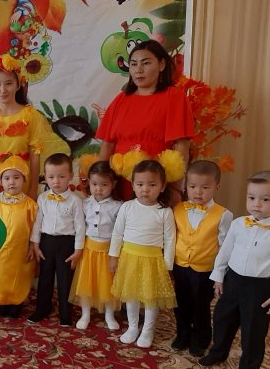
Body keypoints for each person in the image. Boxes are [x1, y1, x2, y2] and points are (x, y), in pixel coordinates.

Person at [199, 171, 270, 369]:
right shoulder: (238, 224)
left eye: (265, 199)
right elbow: (225, 252)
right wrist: (219, 277)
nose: (256, 204)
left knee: (253, 331)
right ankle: (218, 352)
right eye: (251, 197)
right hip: (233, 280)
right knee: (222, 319)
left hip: (259, 287)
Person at [96, 40, 194, 201]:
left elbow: (181, 145)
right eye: (133, 64)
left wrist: (175, 188)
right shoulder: (121, 99)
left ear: (161, 65)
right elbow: (108, 144)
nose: (138, 70)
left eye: (146, 63)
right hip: (120, 181)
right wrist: (100, 184)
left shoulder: (174, 97)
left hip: (156, 184)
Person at [109, 160, 177, 348]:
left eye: (152, 185)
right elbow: (117, 233)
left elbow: (170, 240)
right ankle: (132, 327)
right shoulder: (127, 207)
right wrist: (113, 256)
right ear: (133, 185)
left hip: (153, 261)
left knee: (150, 298)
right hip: (129, 258)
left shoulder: (165, 212)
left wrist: (167, 266)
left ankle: (148, 330)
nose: (145, 189)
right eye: (140, 184)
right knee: (131, 295)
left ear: (162, 186)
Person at [0, 54, 53, 200]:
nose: (3, 90)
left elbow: (35, 157)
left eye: (8, 83)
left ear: (18, 85)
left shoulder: (31, 116)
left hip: (20, 179)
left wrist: (33, 189)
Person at [172, 160, 232, 356]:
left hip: (205, 269)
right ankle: (183, 334)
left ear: (217, 187)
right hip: (181, 265)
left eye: (205, 187)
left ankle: (201, 338)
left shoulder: (223, 215)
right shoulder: (178, 208)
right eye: (192, 186)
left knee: (200, 306)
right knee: (181, 303)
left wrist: (220, 273)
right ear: (185, 186)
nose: (198, 192)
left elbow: (225, 246)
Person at [28, 153, 85, 326]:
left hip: (66, 243)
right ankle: (42, 309)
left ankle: (65, 314)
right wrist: (35, 245)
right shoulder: (42, 198)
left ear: (70, 176)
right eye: (51, 177)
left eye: (61, 176)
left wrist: (78, 250)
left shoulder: (75, 201)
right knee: (45, 277)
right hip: (46, 242)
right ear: (45, 177)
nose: (56, 181)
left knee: (65, 280)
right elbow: (37, 223)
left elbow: (80, 227)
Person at [69, 160, 123, 331]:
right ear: (89, 183)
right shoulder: (84, 203)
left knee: (108, 285)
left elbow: (119, 232)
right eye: (94, 184)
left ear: (113, 184)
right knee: (86, 283)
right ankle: (85, 314)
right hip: (89, 250)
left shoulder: (118, 206)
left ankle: (109, 314)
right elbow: (79, 227)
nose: (99, 189)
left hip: (108, 251)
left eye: (104, 184)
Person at [0, 154, 38, 318]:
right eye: (7, 178)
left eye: (16, 177)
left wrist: (32, 247)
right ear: (0, 181)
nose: (12, 182)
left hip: (20, 251)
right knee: (0, 274)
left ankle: (16, 302)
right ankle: (1, 301)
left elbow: (35, 228)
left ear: (24, 180)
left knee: (19, 275)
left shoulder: (30, 205)